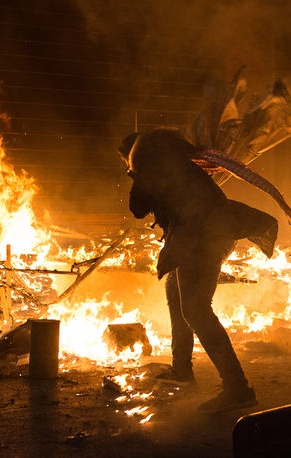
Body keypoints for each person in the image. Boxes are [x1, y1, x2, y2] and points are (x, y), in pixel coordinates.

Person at [119, 129, 281, 413]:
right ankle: (181, 370)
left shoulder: (151, 167)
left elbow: (137, 208)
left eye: (128, 162)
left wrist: (135, 174)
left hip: (202, 238)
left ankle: (237, 389)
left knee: (195, 309)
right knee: (175, 293)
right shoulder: (175, 165)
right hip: (201, 234)